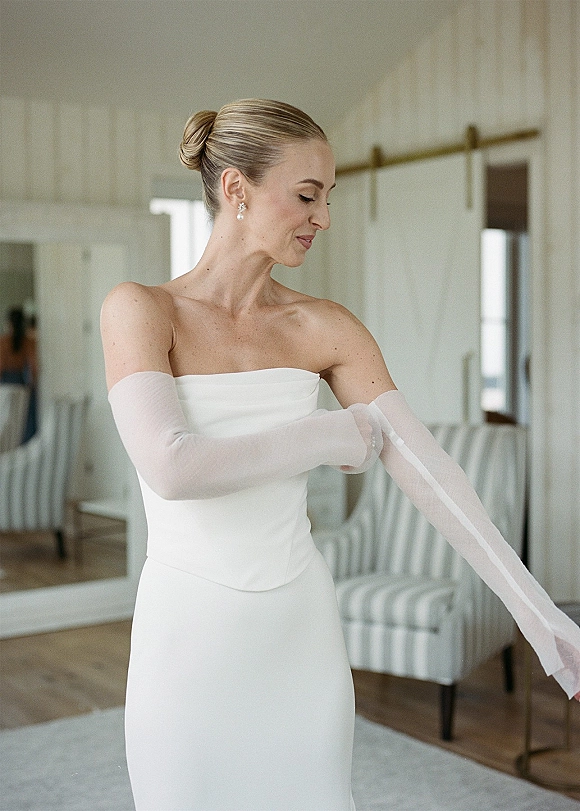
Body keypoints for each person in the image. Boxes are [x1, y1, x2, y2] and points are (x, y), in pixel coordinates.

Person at [101, 99, 580, 811]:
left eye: (328, 196)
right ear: (235, 189)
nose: (323, 216)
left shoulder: (326, 326)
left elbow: (432, 475)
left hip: (301, 632)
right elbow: (172, 466)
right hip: (187, 636)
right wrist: (326, 435)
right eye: (306, 195)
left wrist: (546, 621)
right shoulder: (141, 309)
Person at [0, 307, 38, 441]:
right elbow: (34, 367)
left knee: (6, 420)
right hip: (20, 382)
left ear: (8, 323)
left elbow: (1, 366)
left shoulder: (3, 342)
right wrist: (31, 384)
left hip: (6, 383)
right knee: (22, 419)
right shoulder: (28, 341)